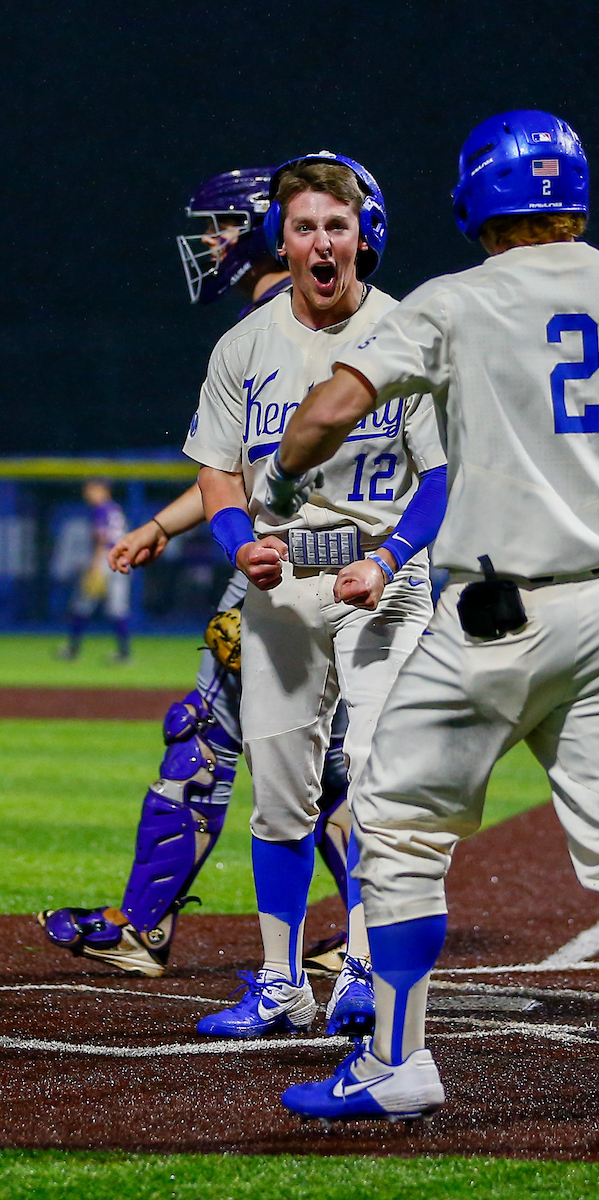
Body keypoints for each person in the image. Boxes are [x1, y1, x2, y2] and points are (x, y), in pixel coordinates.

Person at [270, 112, 599, 1148]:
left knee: (393, 822)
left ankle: (396, 1066)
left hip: (489, 618)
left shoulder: (451, 303)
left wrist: (278, 473)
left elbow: (330, 410)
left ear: (472, 202)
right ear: (574, 198)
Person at [38, 169, 352, 979]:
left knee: (220, 735)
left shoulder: (277, 325)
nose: (208, 242)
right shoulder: (325, 314)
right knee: (318, 750)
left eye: (219, 225)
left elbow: (270, 463)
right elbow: (257, 463)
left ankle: (143, 926)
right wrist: (161, 524)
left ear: (260, 227)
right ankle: (365, 928)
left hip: (294, 561)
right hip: (345, 561)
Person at [184, 152, 448, 1040]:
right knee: (281, 796)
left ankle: (364, 971)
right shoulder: (242, 347)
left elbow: (443, 480)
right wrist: (237, 542)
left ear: (362, 237)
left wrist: (394, 556)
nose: (322, 241)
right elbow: (219, 474)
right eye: (304, 227)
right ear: (282, 241)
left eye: (337, 225)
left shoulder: (406, 331)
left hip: (385, 582)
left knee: (377, 778)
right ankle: (280, 984)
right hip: (285, 588)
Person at [57, 478, 131, 664]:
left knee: (82, 604)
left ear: (102, 489)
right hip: (122, 560)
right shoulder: (115, 509)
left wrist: (95, 566)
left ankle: (73, 650)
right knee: (117, 609)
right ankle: (124, 654)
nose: (87, 494)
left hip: (105, 559)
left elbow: (101, 539)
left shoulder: (101, 509)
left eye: (91, 489)